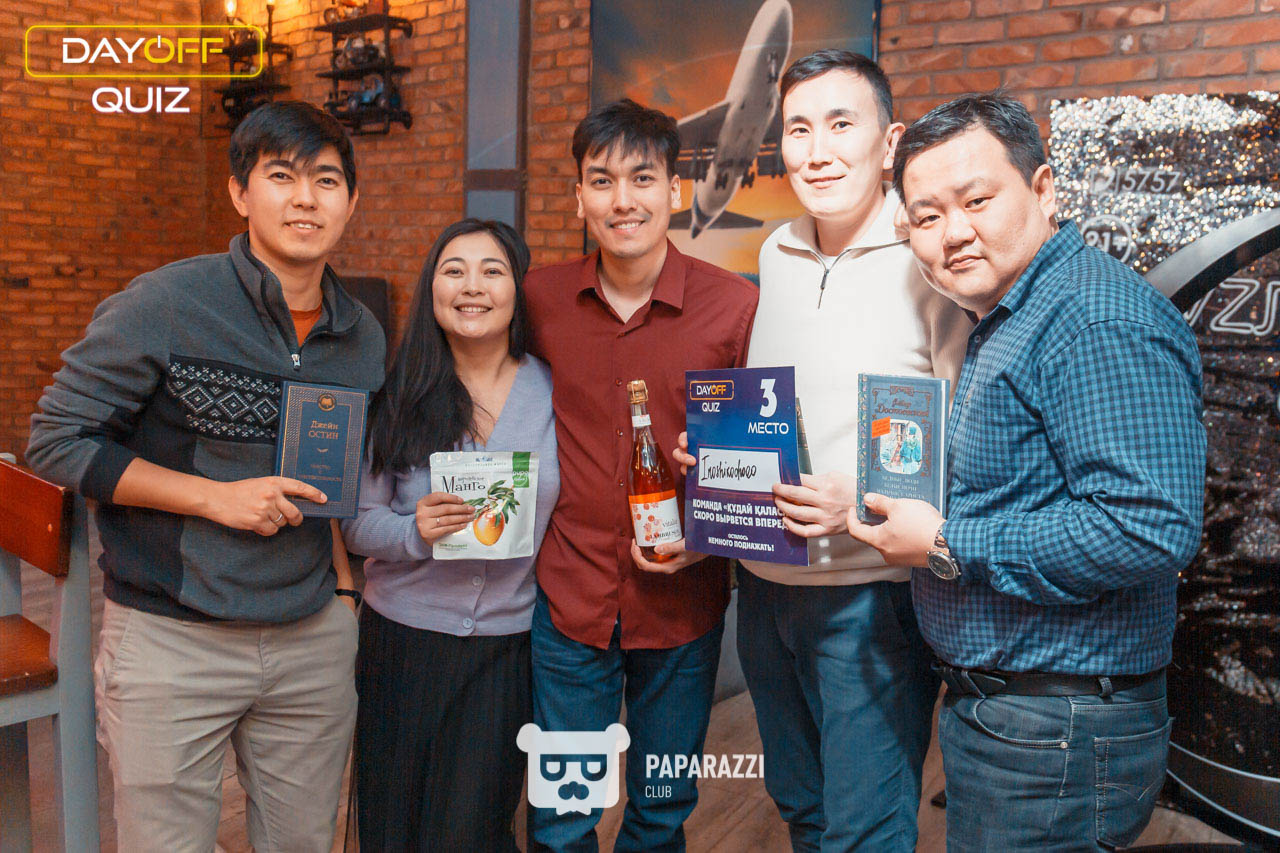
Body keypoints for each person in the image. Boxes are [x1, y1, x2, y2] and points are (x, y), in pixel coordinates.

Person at [25, 101, 385, 851]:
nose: (306, 199)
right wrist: (212, 498)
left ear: (351, 200)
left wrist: (344, 595)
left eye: (326, 180)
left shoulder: (363, 336)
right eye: (281, 176)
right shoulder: (166, 303)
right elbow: (56, 441)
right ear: (239, 193)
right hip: (172, 639)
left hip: (310, 638)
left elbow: (339, 477)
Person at [850, 93, 1206, 851]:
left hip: (1057, 728)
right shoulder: (1008, 317)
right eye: (926, 216)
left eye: (977, 200)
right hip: (1018, 720)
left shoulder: (1093, 318)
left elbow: (1147, 527)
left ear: (1043, 190)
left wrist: (945, 541)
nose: (953, 232)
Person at [673, 50, 969, 851]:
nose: (817, 150)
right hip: (763, 591)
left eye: (842, 124)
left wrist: (858, 498)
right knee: (801, 807)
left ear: (890, 142)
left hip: (869, 598)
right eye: (799, 129)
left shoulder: (931, 255)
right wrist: (720, 460)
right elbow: (789, 404)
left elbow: (970, 435)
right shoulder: (776, 252)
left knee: (863, 828)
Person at [523, 98, 758, 851]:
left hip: (683, 608)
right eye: (602, 181)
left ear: (674, 191)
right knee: (561, 818)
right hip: (571, 599)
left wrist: (710, 534)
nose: (622, 199)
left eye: (642, 178)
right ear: (579, 197)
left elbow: (758, 458)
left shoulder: (734, 305)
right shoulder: (539, 299)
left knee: (660, 812)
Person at [339, 218, 558, 850]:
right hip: (401, 640)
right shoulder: (400, 393)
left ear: (517, 289)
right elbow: (355, 521)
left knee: (472, 828)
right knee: (394, 825)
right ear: (432, 289)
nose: (472, 286)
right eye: (453, 270)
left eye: (493, 270)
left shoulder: (554, 390)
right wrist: (414, 532)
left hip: (507, 646)